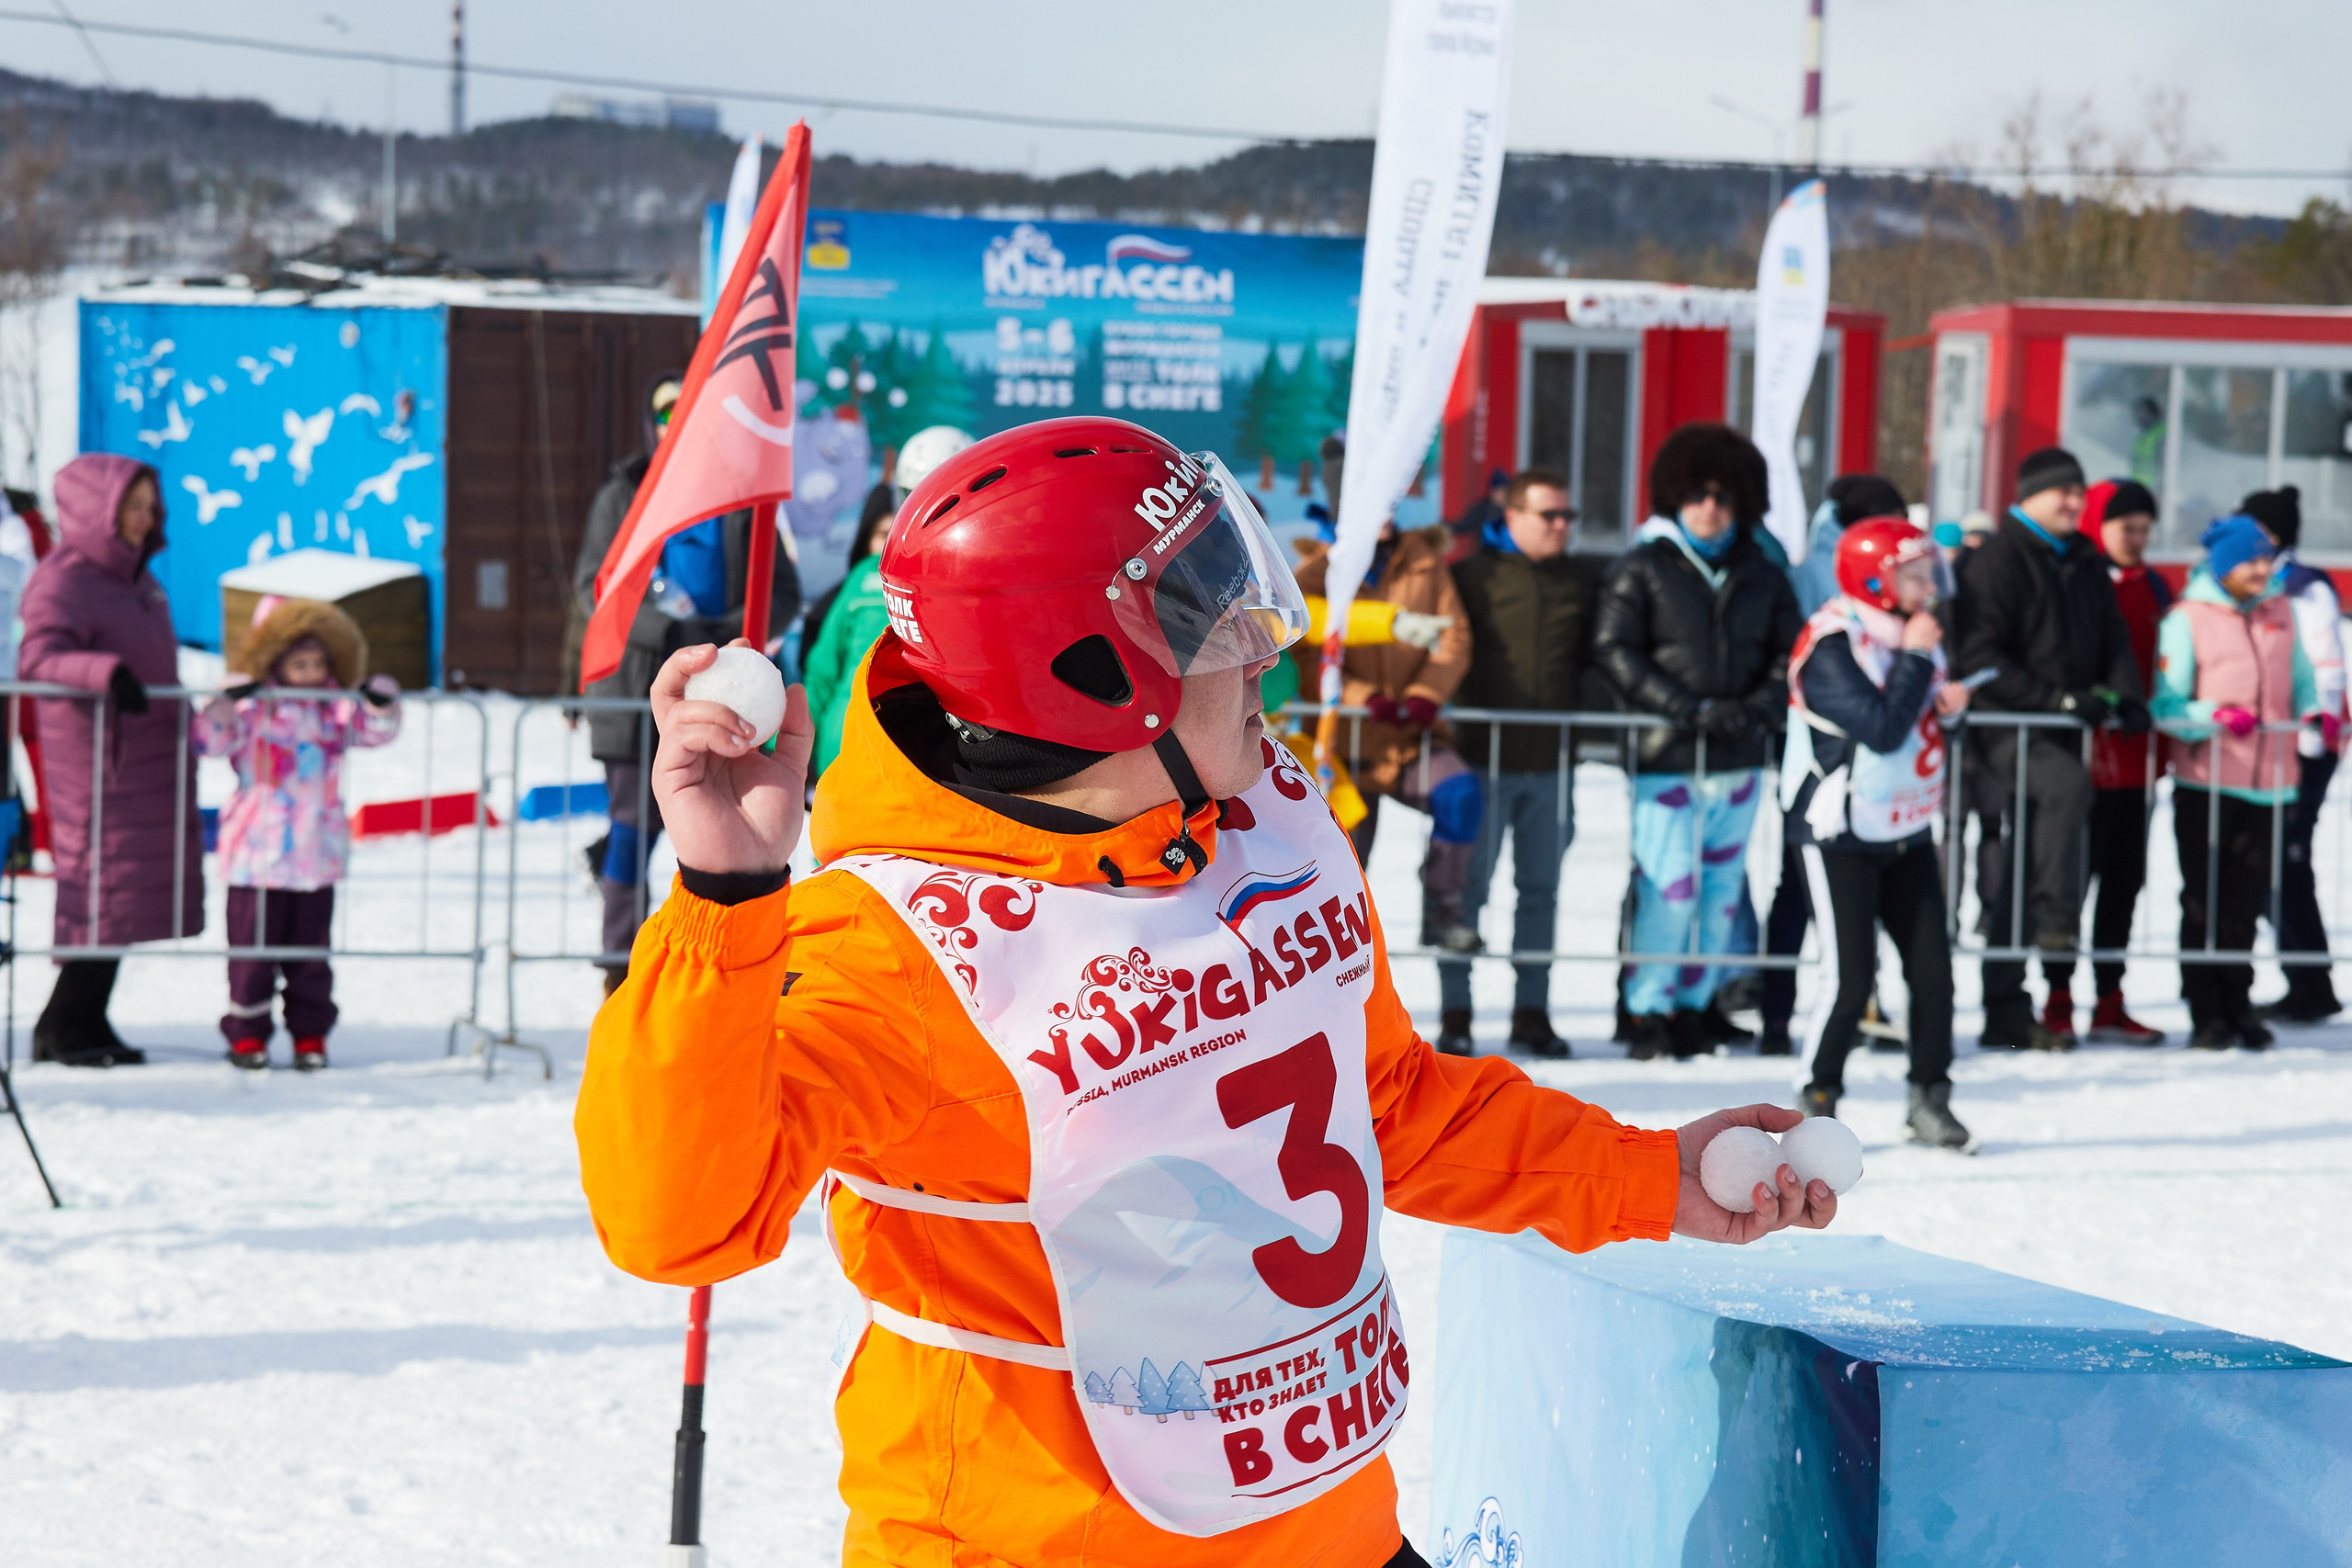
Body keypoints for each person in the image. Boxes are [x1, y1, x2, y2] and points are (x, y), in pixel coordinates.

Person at [573, 415, 1838, 1568]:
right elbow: (679, 1224)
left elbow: (1390, 1105)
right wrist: (725, 900)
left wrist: (1649, 1175)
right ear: (1090, 676)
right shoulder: (894, 945)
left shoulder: (1262, 816)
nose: (1264, 655)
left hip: (1328, 1530)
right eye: (1215, 624)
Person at [571, 371, 801, 991]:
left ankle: (719, 967)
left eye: (689, 412)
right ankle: (620, 969)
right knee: (631, 832)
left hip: (723, 691)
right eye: (666, 413)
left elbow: (782, 592)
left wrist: (723, 634)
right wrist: (670, 632)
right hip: (634, 694)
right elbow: (597, 588)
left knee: (722, 832)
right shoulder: (624, 494)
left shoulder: (744, 497)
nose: (677, 424)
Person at [1593, 423, 1802, 1061]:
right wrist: (1687, 709)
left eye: (1722, 496)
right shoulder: (1642, 567)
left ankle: (1695, 1004)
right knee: (1669, 889)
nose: (1709, 507)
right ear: (1674, 497)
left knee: (1720, 893)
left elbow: (1790, 654)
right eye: (1696, 494)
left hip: (1738, 759)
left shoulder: (1764, 574)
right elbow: (1614, 649)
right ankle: (1647, 1008)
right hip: (1667, 757)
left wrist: (1755, 709)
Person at [1782, 519, 1973, 1147]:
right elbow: (1881, 728)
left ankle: (1930, 1097)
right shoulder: (1833, 643)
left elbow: (1919, 724)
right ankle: (1816, 1100)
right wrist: (1917, 659)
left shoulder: (1913, 634)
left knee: (1933, 971)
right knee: (1850, 978)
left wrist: (1951, 711)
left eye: (1929, 573)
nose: (1928, 588)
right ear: (1875, 581)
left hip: (1904, 827)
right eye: (1914, 576)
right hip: (1839, 831)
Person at [1953, 446, 2146, 1051]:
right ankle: (2058, 924)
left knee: (2023, 865)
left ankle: (2006, 1007)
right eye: (2062, 490)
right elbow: (1979, 654)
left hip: (2061, 727)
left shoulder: (2082, 556)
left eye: (2078, 492)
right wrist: (2056, 700)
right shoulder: (1998, 559)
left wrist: (2126, 695)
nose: (2073, 501)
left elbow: (2113, 635)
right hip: (2007, 725)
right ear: (2029, 494)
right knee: (2065, 788)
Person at [17, 454, 205, 1066]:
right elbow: (38, 659)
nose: (146, 517)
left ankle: (85, 1019)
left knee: (123, 900)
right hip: (100, 764)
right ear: (100, 509)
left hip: (148, 759)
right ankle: (64, 1026)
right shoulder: (64, 579)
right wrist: (106, 673)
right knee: (102, 891)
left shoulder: (139, 580)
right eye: (134, 506)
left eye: (151, 506)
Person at [192, 599, 401, 1070]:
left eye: (318, 664)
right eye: (298, 664)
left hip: (314, 856)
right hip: (255, 858)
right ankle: (248, 1034)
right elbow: (210, 741)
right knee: (252, 957)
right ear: (273, 660)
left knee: (310, 956)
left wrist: (380, 701)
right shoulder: (253, 708)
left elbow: (375, 730)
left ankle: (310, 1035)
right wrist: (223, 702)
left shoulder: (334, 710)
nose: (309, 674)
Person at [1434, 468, 1599, 1059]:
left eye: (1567, 517)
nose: (1561, 526)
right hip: (1479, 763)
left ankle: (1533, 1012)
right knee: (1465, 890)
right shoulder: (1470, 576)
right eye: (1549, 515)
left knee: (1541, 891)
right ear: (1512, 517)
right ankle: (1456, 1014)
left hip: (1551, 764)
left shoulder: (1582, 580)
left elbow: (1595, 660)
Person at [2149, 514, 2320, 1050]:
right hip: (2210, 781)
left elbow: (2301, 678)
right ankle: (2206, 1010)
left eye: (2266, 559)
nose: (2263, 569)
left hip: (2270, 781)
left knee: (2245, 902)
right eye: (2251, 561)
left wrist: (2313, 713)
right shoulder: (2188, 618)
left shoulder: (2280, 610)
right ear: (2224, 566)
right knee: (2205, 899)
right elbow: (2166, 703)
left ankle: (2238, 1003)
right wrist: (2213, 715)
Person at [1759, 474, 1910, 1055]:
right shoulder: (1823, 574)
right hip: (1824, 762)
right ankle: (1782, 1011)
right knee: (1805, 888)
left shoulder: (1853, 567)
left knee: (1842, 893)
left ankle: (1851, 1007)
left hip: (1864, 763)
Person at [1291, 513, 1483, 953]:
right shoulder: (1317, 569)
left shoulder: (1424, 561)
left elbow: (1454, 638)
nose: (1382, 515)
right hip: (1342, 744)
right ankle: (1336, 947)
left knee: (1460, 794)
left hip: (1408, 735)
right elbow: (1304, 650)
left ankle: (1442, 908)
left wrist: (1425, 694)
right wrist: (1363, 697)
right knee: (1345, 855)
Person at [2242, 485, 2347, 1023]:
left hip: (2304, 745)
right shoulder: (2268, 582)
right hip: (2279, 742)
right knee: (2275, 859)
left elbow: (2325, 664)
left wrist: (2308, 739)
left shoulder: (2304, 588)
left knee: (2286, 858)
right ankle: (2305, 978)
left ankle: (2311, 982)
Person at [2077, 479, 2170, 1044]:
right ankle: (2056, 993)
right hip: (2079, 760)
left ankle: (2109, 997)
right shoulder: (2079, 579)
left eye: (2144, 529)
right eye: (2126, 528)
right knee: (2067, 884)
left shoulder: (2153, 586)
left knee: (2122, 884)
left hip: (2137, 760)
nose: (2136, 539)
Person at [802, 491, 897, 778]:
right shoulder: (863, 577)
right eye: (883, 534)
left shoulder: (943, 588)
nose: (891, 545)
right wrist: (786, 743)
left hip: (892, 755)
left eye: (899, 533)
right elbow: (823, 672)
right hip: (845, 746)